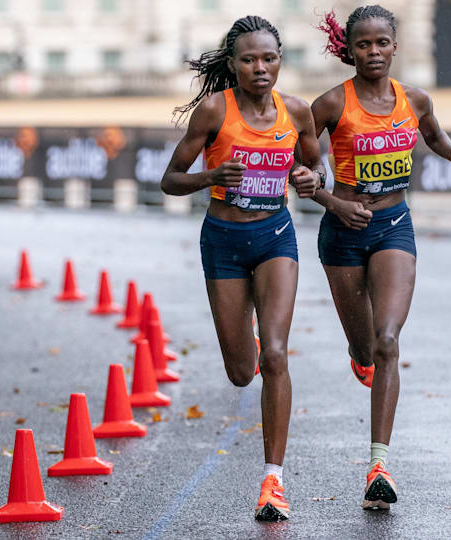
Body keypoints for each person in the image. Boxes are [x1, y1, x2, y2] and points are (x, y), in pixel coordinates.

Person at [306, 5, 451, 510]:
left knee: (388, 340)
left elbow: (432, 133)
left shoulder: (415, 99)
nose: (374, 52)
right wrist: (333, 201)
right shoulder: (330, 105)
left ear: (395, 46)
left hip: (395, 226)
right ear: (350, 51)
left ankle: (379, 464)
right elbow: (303, 168)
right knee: (364, 350)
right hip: (342, 232)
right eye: (364, 45)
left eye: (382, 43)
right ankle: (360, 358)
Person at [160, 15, 325, 521]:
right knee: (241, 372)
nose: (260, 68)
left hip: (275, 237)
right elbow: (169, 180)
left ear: (281, 62)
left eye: (269, 58)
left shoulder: (296, 112)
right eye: (249, 59)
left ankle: (272, 480)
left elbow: (316, 169)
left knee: (275, 355)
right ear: (232, 65)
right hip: (225, 243)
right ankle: (247, 341)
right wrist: (212, 173)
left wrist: (307, 176)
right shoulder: (214, 111)